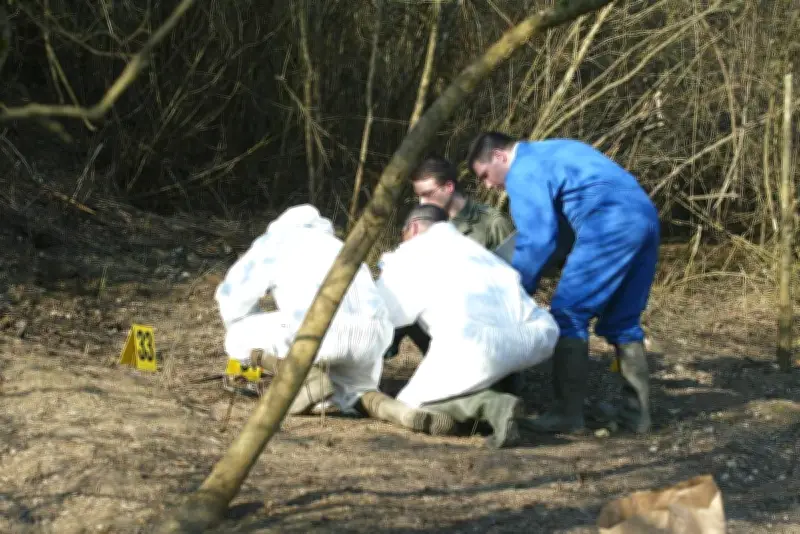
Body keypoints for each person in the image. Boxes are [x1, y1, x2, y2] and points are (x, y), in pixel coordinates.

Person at [466, 132, 660, 435]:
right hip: (645, 217)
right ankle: (637, 416)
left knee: (568, 312)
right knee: (624, 321)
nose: (490, 185)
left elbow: (538, 239)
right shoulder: (558, 149)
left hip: (608, 224)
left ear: (500, 157)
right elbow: (560, 233)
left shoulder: (523, 170)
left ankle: (567, 415)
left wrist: (514, 289)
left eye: (485, 175)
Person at [213, 204, 454, 435]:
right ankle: (402, 413)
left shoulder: (275, 242)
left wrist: (254, 352)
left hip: (321, 332)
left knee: (236, 335)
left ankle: (306, 376)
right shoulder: (341, 246)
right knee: (356, 393)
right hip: (373, 339)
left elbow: (231, 298)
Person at [375, 204, 560, 448]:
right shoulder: (478, 252)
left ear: (414, 227)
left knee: (411, 404)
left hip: (476, 343)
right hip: (538, 335)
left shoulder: (409, 255)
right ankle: (495, 393)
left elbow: (383, 316)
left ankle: (490, 405)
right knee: (472, 364)